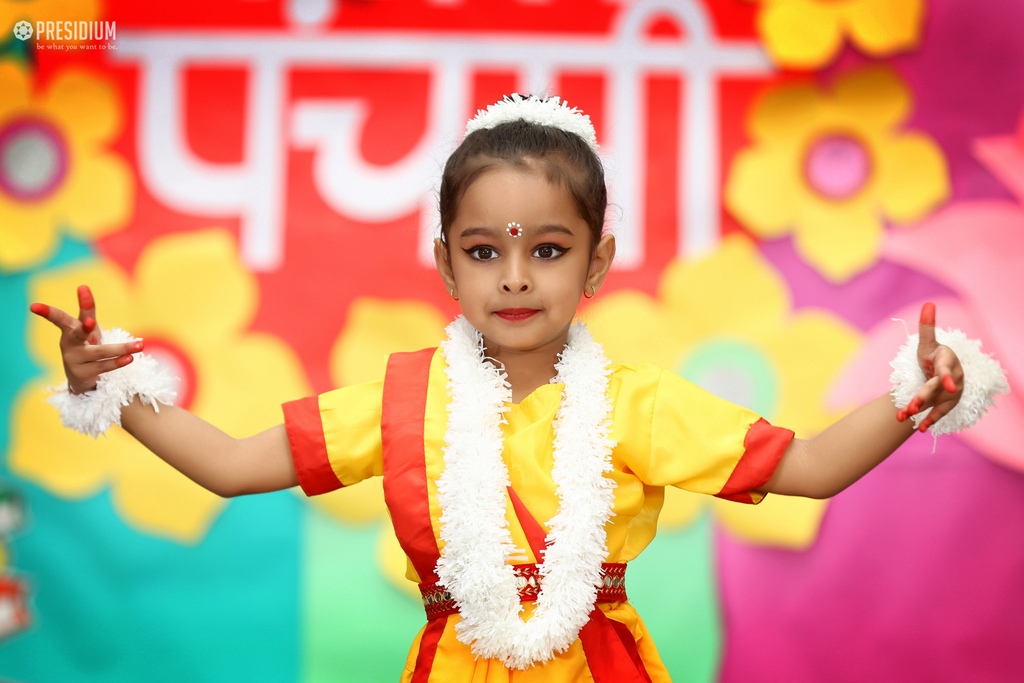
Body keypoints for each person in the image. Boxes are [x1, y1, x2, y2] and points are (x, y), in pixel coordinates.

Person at [29, 95, 1007, 682]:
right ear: (446, 266)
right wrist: (117, 387)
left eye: (546, 248)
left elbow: (804, 466)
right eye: (483, 250)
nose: (513, 275)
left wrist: (912, 394)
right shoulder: (404, 399)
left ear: (595, 263)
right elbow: (235, 464)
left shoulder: (637, 402)